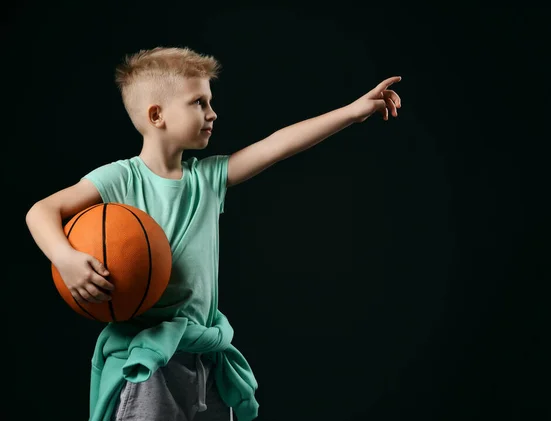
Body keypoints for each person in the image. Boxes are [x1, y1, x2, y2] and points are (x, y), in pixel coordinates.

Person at [25, 46, 401, 421]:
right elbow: (41, 211)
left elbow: (277, 145)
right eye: (198, 102)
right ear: (157, 115)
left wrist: (353, 112)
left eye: (210, 101)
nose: (212, 113)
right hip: (147, 361)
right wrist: (65, 257)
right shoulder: (120, 178)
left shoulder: (206, 179)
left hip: (204, 352)